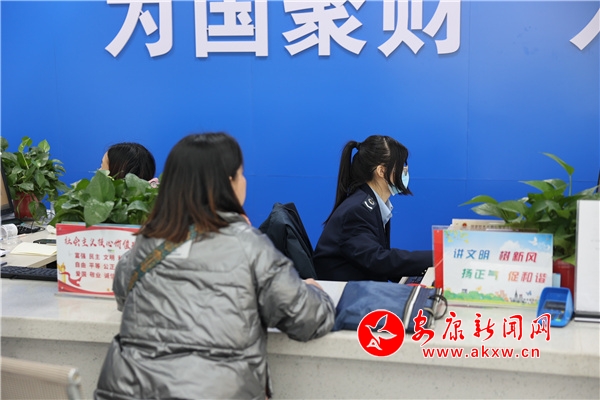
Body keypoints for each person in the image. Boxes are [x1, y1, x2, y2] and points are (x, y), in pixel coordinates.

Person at [94, 133, 335, 400]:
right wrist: (314, 291)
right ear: (228, 183)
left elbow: (123, 295)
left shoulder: (145, 243)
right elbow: (308, 320)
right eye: (240, 174)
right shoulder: (249, 246)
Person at [313, 135, 432, 282]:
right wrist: (437, 258)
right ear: (381, 171)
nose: (405, 169)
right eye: (402, 164)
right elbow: (377, 260)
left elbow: (380, 262)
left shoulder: (371, 204)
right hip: (343, 293)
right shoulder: (357, 211)